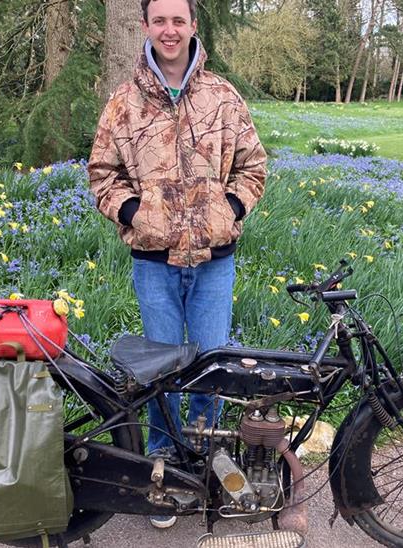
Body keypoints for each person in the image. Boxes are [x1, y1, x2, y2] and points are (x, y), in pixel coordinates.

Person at [87, 0, 267, 530]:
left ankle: (208, 460)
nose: (170, 30)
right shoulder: (123, 102)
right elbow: (102, 172)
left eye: (178, 20)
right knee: (160, 370)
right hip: (154, 262)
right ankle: (165, 472)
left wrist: (228, 210)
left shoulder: (223, 96)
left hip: (215, 261)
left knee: (212, 365)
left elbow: (254, 165)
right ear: (146, 27)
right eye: (160, 20)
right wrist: (132, 213)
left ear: (193, 26)